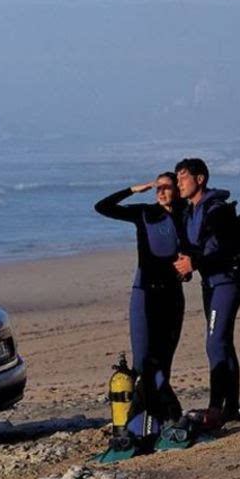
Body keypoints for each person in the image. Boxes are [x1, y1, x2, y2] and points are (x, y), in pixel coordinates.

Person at [94, 173, 187, 431]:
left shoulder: (186, 215)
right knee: (143, 362)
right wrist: (133, 190)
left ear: (177, 190)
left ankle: (161, 419)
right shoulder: (145, 213)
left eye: (167, 187)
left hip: (173, 295)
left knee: (164, 361)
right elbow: (102, 207)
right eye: (158, 188)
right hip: (145, 294)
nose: (161, 192)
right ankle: (141, 420)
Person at [172, 157, 240, 430]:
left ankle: (215, 409)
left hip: (227, 281)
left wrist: (195, 262)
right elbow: (197, 247)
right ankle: (231, 408)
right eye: (177, 179)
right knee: (223, 343)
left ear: (200, 179)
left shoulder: (217, 209)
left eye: (183, 178)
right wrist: (187, 267)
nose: (179, 183)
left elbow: (225, 248)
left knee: (215, 343)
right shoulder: (190, 211)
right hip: (210, 283)